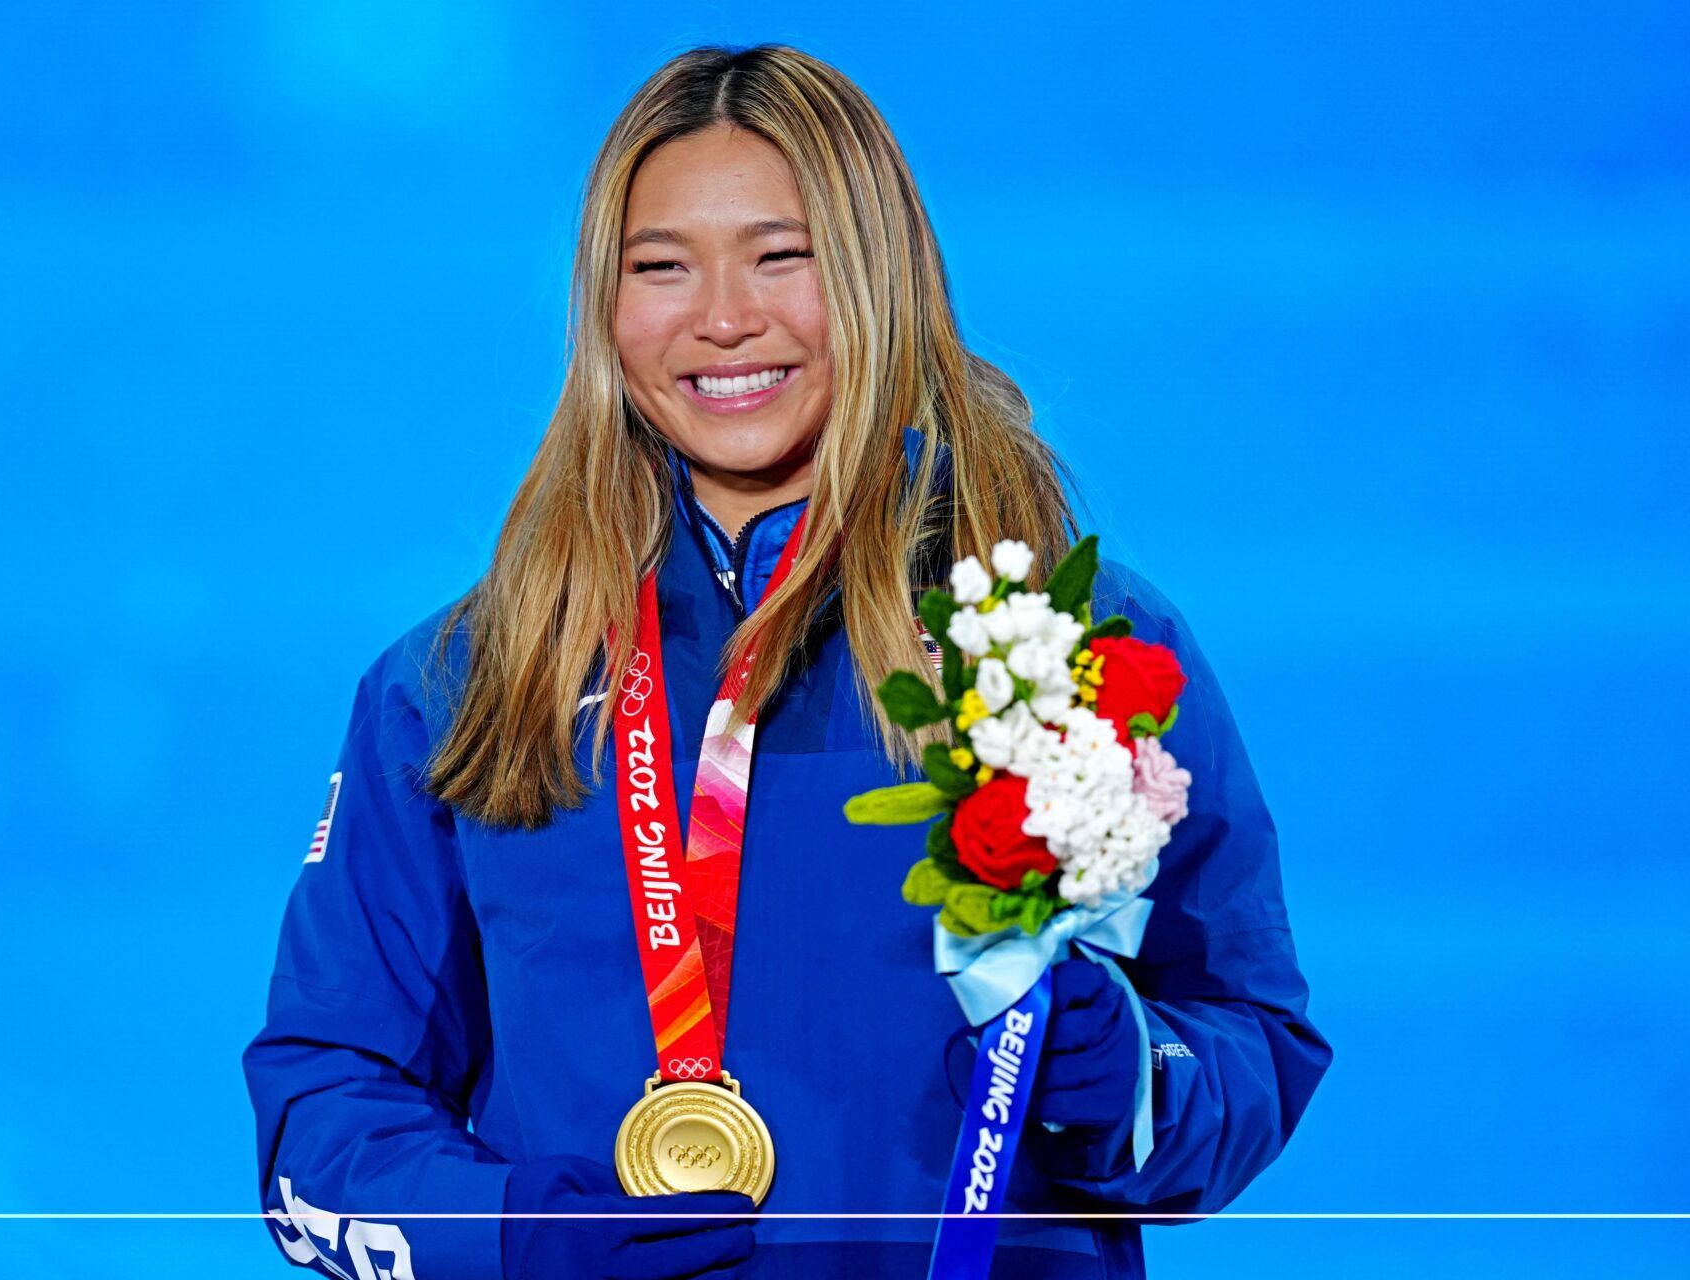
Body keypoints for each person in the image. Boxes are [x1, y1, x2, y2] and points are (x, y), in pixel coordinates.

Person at [242, 43, 1331, 1280]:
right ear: (605, 308)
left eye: (782, 254)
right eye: (662, 266)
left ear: (877, 275)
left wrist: (1128, 1073)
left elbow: (1249, 1035)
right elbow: (321, 1115)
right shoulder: (467, 683)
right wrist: (505, 1233)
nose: (722, 316)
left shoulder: (1066, 645)